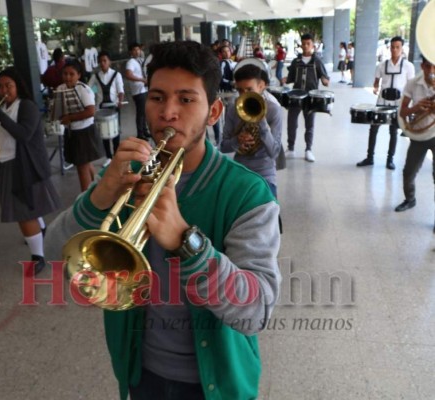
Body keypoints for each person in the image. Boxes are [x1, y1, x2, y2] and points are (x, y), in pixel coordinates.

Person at [45, 40, 281, 400]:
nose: (168, 112)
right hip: (141, 371)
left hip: (216, 382)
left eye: (186, 100)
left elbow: (256, 312)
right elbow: (53, 251)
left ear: (214, 112)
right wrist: (100, 196)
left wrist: (188, 241)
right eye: (157, 98)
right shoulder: (125, 172)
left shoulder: (248, 192)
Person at [0, 67, 61, 274]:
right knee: (28, 206)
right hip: (7, 163)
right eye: (0, 86)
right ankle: (41, 231)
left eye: (8, 85)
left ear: (18, 86)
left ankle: (38, 257)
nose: (3, 90)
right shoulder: (4, 109)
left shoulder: (26, 106)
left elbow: (24, 134)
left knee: (23, 212)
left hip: (26, 165)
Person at [220, 63, 283, 197]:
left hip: (265, 173)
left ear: (261, 86)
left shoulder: (273, 109)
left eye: (249, 89)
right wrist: (237, 141)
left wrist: (261, 122)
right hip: (240, 170)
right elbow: (223, 146)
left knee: (269, 212)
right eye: (240, 90)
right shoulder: (233, 108)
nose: (244, 95)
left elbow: (274, 152)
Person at [356, 36, 415, 170]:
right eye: (392, 47)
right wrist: (376, 87)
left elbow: (411, 86)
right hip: (382, 101)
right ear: (389, 48)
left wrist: (407, 104)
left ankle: (390, 159)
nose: (394, 50)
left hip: (397, 103)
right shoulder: (382, 65)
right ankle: (370, 157)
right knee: (373, 128)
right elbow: (376, 81)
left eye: (397, 47)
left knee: (393, 131)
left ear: (402, 48)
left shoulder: (408, 66)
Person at [394, 56, 435, 224]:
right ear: (422, 66)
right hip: (419, 136)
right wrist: (416, 108)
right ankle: (410, 199)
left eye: (434, 67)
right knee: (408, 172)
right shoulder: (412, 83)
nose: (431, 71)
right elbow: (403, 113)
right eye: (428, 66)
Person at [56, 60, 103, 191]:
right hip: (71, 132)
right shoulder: (60, 89)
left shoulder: (84, 90)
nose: (68, 77)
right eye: (65, 74)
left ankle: (85, 197)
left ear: (79, 75)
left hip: (84, 132)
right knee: (84, 164)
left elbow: (90, 111)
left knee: (81, 167)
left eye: (72, 74)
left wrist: (70, 117)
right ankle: (98, 187)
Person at [282, 33, 330, 162]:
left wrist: (325, 81)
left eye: (308, 44)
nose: (305, 46)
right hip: (295, 96)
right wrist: (285, 79)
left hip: (311, 97)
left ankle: (308, 149)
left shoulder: (317, 61)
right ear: (301, 45)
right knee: (291, 122)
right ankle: (291, 148)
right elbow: (291, 77)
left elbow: (324, 77)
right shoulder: (296, 61)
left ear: (312, 45)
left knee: (309, 124)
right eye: (303, 44)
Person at [88, 51, 125, 164]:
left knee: (115, 131)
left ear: (109, 62)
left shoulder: (116, 75)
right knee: (103, 133)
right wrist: (92, 99)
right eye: (101, 61)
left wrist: (120, 100)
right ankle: (108, 156)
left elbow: (120, 90)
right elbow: (88, 89)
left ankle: (117, 154)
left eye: (105, 60)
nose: (103, 63)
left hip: (114, 106)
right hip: (101, 108)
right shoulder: (95, 76)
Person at [125, 42, 149, 140]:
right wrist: (141, 80)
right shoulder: (130, 62)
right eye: (134, 50)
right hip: (138, 91)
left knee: (144, 112)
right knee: (140, 112)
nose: (137, 51)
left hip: (143, 89)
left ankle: (145, 131)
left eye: (138, 49)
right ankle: (140, 133)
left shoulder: (139, 60)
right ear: (131, 52)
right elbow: (128, 75)